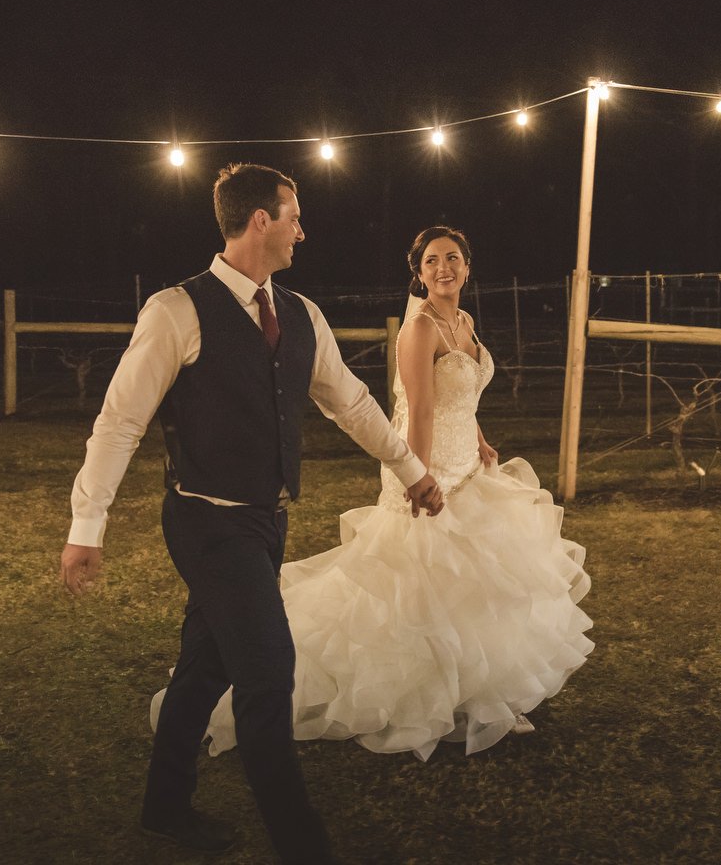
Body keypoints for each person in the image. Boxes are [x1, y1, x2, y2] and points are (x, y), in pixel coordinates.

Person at [59, 163, 444, 863]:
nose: (304, 228)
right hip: (205, 523)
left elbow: (350, 403)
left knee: (206, 668)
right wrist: (88, 527)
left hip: (266, 522)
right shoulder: (175, 311)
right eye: (294, 214)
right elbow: (119, 423)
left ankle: (164, 807)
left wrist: (413, 473)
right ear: (260, 220)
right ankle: (303, 847)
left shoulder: (301, 314)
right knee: (268, 671)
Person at [161, 225, 592, 763]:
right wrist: (419, 475)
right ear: (419, 272)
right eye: (432, 261)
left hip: (468, 468)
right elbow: (421, 408)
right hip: (429, 468)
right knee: (418, 590)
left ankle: (478, 695)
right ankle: (409, 695)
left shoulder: (465, 322)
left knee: (474, 586)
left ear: (467, 267)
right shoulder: (419, 329)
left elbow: (463, 397)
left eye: (453, 258)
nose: (443, 269)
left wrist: (480, 442)